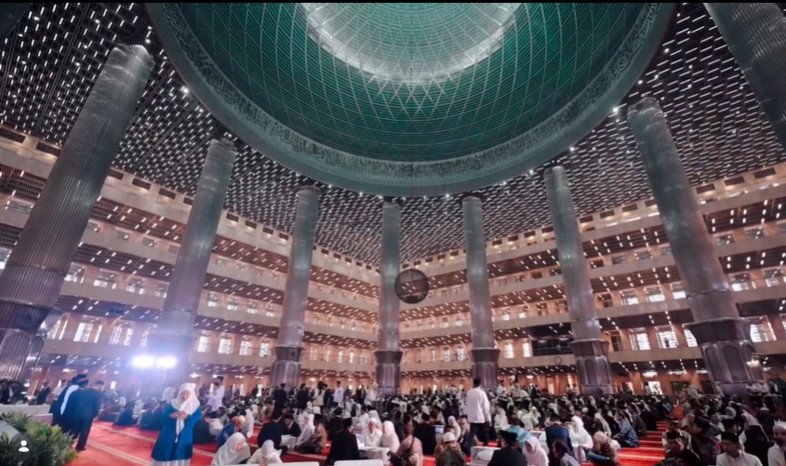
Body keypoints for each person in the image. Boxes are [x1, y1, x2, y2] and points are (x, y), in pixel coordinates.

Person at [151, 383, 202, 466]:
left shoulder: (195, 406)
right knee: (166, 452)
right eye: (182, 393)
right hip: (169, 433)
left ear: (191, 394)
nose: (184, 396)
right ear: (179, 393)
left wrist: (187, 417)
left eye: (187, 393)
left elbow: (197, 418)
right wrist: (170, 416)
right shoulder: (173, 404)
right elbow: (162, 417)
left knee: (180, 453)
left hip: (185, 434)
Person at [71, 380, 104, 451]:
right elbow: (97, 405)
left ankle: (68, 444)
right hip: (88, 415)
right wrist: (96, 415)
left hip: (78, 412)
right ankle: (79, 447)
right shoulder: (98, 393)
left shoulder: (85, 390)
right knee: (84, 431)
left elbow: (78, 401)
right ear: (100, 385)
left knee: (75, 430)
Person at [463, 377, 491, 455]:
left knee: (472, 434)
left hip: (472, 417)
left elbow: (467, 404)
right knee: (485, 434)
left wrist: (468, 416)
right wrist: (488, 418)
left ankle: (467, 449)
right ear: (480, 384)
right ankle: (485, 449)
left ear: (473, 383)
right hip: (481, 417)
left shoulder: (469, 392)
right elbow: (485, 406)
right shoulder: (481, 393)